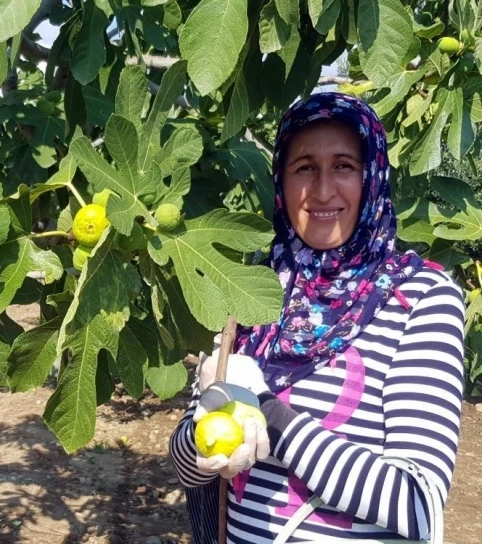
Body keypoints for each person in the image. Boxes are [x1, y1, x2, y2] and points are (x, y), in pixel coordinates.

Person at [169, 92, 465, 543]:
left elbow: (416, 504)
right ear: (282, 182)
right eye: (304, 167)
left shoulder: (421, 297)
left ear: (372, 178)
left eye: (344, 166)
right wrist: (199, 433)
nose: (323, 190)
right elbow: (188, 470)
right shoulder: (254, 288)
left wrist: (270, 413)